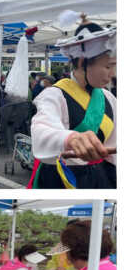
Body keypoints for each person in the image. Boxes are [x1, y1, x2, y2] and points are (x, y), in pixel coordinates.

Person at [29, 15, 116, 188]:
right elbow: (41, 131)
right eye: (108, 66)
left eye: (115, 66)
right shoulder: (54, 95)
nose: (113, 74)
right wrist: (69, 139)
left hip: (101, 177)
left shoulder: (109, 98)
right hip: (63, 178)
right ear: (83, 62)